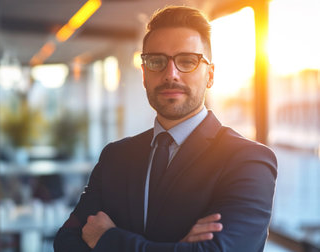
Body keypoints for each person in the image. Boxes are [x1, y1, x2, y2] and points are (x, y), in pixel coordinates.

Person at [54, 5, 277, 252]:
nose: (171, 74)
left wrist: (108, 239)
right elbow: (66, 242)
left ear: (210, 75)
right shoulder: (115, 157)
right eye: (156, 61)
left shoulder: (248, 160)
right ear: (144, 75)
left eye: (188, 61)